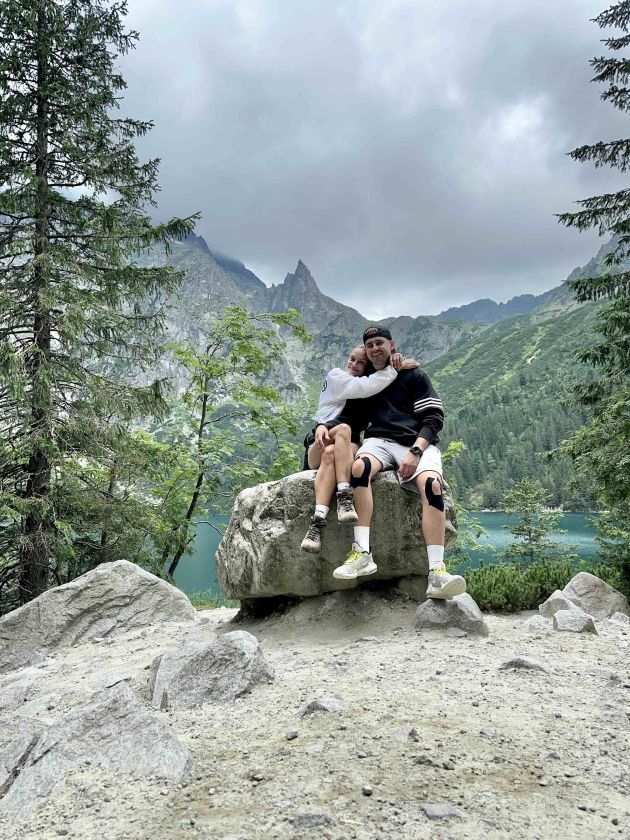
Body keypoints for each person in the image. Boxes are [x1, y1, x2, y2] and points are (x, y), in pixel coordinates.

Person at [331, 325, 466, 600]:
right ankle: (362, 554)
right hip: (379, 441)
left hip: (415, 442)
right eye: (369, 345)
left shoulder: (413, 375)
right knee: (359, 468)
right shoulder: (367, 381)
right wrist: (321, 429)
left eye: (379, 343)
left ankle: (437, 573)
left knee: (432, 485)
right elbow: (350, 420)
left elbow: (433, 419)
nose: (374, 349)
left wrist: (415, 451)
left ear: (391, 345)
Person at [301, 345, 417, 553]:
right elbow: (367, 386)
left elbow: (376, 387)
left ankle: (317, 524)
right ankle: (344, 495)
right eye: (352, 359)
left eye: (361, 362)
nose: (354, 364)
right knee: (343, 430)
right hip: (321, 440)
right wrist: (395, 367)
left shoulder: (369, 394)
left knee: (332, 452)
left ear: (368, 367)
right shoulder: (337, 376)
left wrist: (396, 361)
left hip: (342, 448)